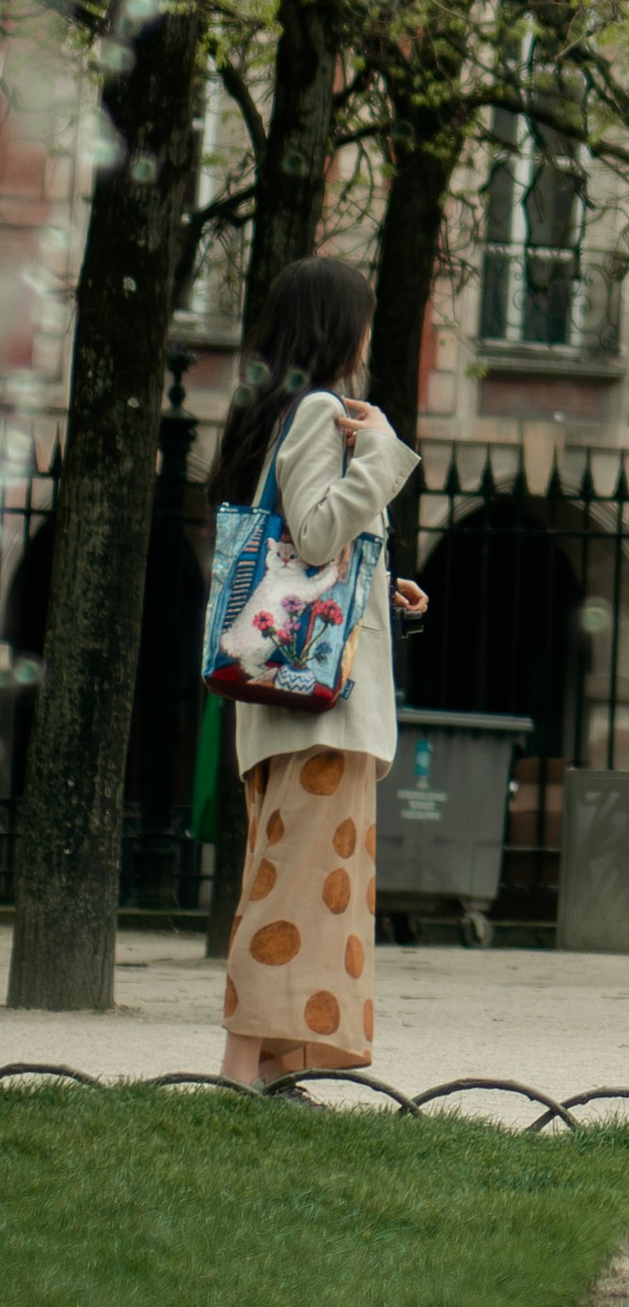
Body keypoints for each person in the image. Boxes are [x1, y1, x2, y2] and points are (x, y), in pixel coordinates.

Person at [208, 258, 426, 1087]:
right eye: (364, 320)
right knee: (294, 889)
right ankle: (238, 1073)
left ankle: (268, 1074)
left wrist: (381, 584)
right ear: (341, 326)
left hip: (297, 696)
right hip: (316, 709)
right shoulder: (320, 412)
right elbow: (316, 529)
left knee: (303, 884)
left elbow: (315, 548)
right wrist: (380, 450)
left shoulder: (283, 414)